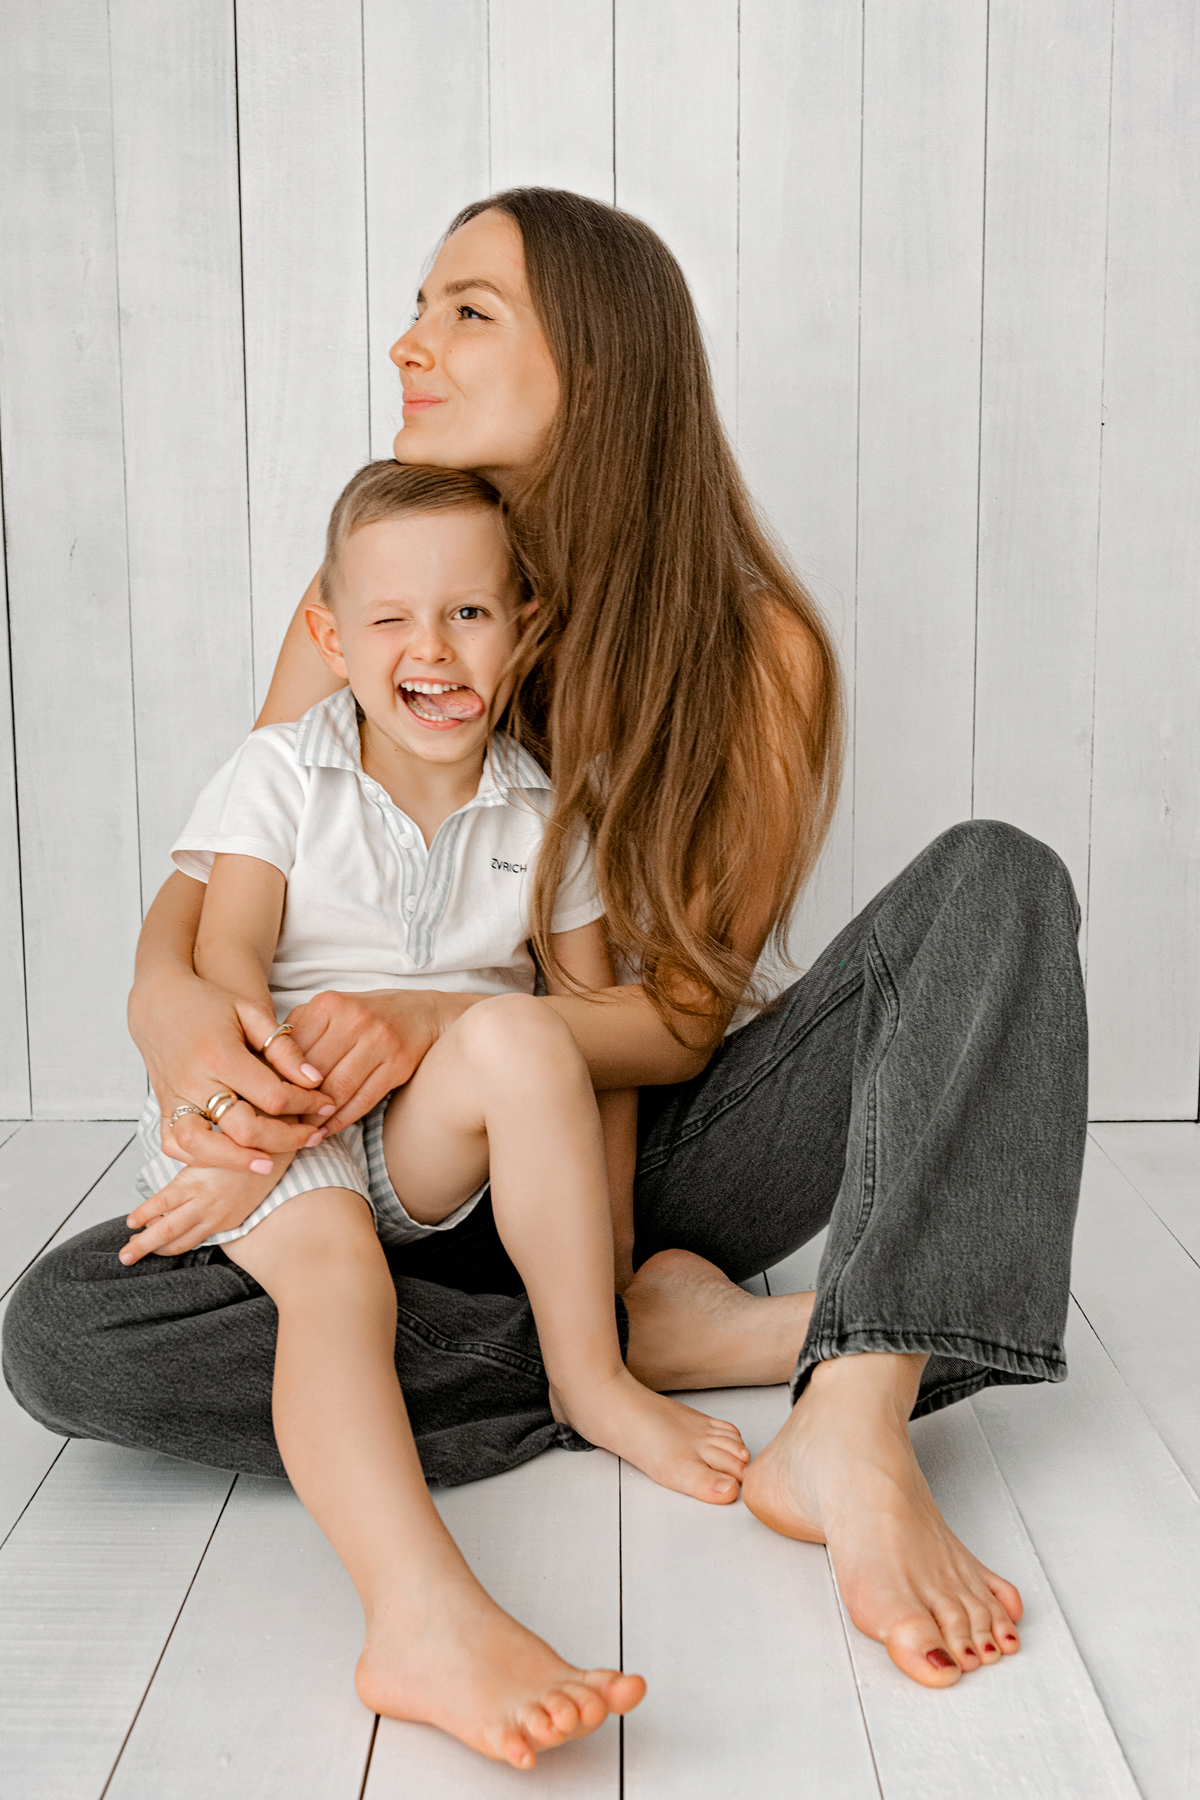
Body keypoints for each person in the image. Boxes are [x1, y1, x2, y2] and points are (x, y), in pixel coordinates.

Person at [3, 189, 1087, 1764]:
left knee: (1001, 876)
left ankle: (847, 1424)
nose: (410, 341)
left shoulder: (758, 647)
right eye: (420, 305)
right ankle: (716, 1343)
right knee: (60, 1332)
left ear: (596, 357)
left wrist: (454, 1018)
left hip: (637, 1131)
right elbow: (223, 887)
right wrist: (172, 1014)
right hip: (381, 1170)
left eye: (464, 309)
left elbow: (678, 1019)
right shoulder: (384, 580)